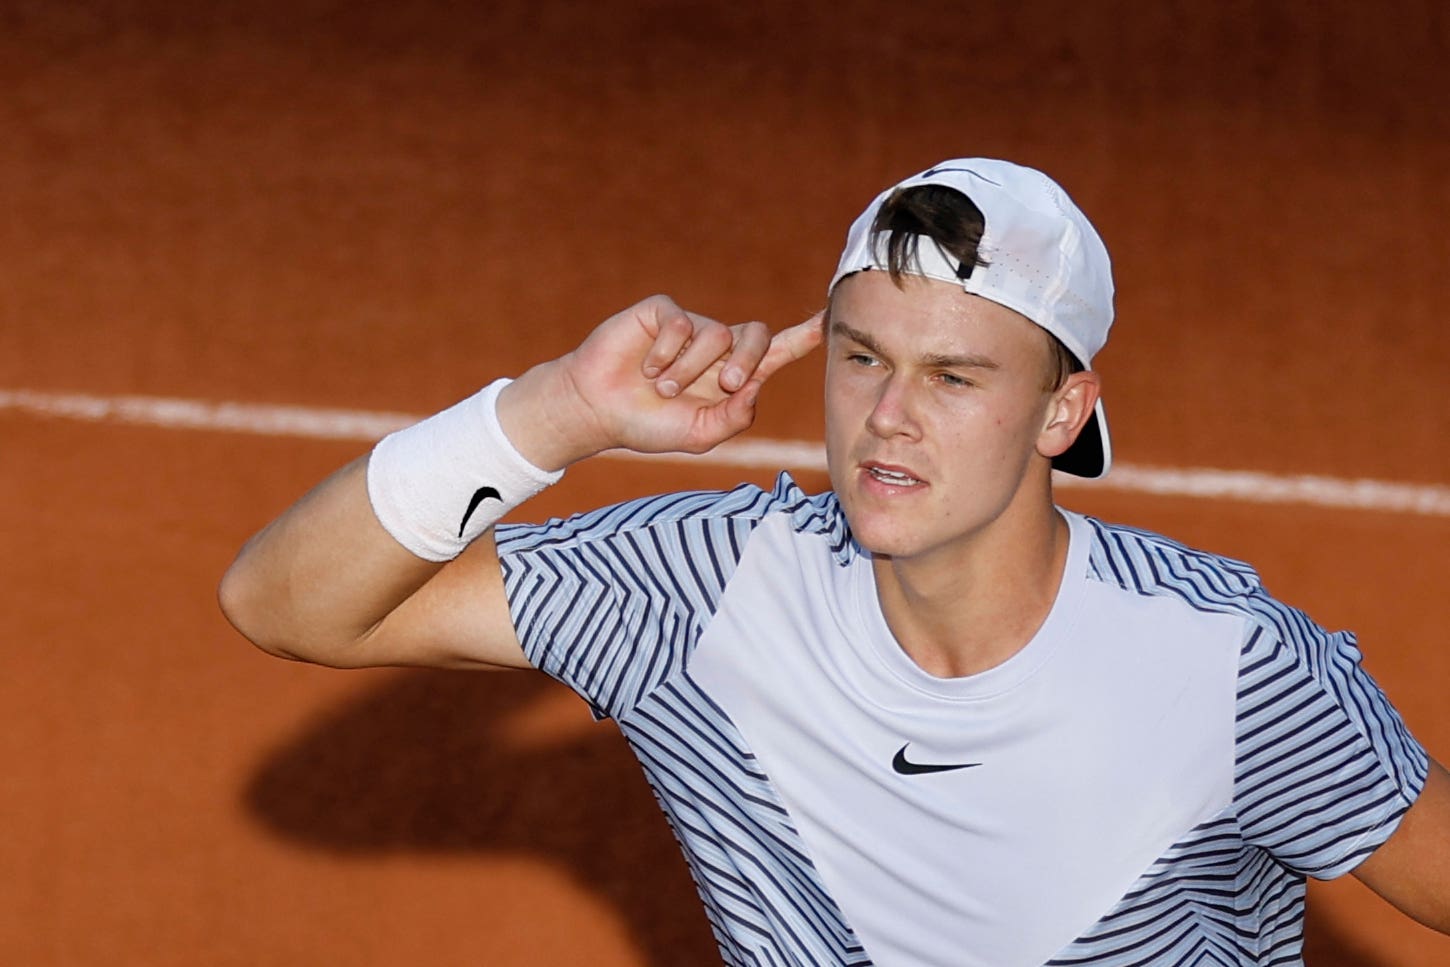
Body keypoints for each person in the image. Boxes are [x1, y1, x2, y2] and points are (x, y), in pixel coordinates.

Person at [219, 158, 1449, 965]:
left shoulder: (1223, 668)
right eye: (861, 358)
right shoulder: (702, 589)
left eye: (954, 376)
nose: (887, 417)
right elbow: (285, 602)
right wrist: (556, 414)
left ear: (1062, 411)